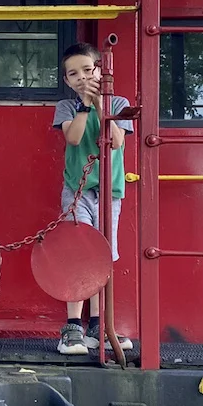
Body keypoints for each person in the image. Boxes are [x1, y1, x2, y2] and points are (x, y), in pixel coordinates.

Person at [52, 42, 134, 356]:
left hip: (109, 192)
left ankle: (100, 324)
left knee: (103, 254)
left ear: (100, 70)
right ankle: (73, 327)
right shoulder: (66, 107)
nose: (82, 77)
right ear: (67, 81)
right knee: (77, 252)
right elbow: (73, 138)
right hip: (77, 191)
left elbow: (115, 142)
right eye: (73, 74)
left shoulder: (120, 103)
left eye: (88, 70)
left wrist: (101, 103)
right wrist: (85, 105)